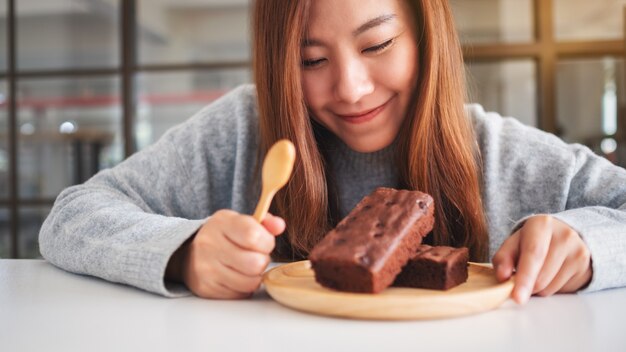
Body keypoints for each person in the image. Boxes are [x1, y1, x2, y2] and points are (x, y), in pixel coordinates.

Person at [39, 0, 626, 305]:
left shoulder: (499, 155)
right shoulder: (246, 132)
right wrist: (183, 253)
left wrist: (587, 246)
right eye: (310, 60)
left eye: (377, 44)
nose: (350, 88)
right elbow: (72, 216)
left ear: (428, 34)